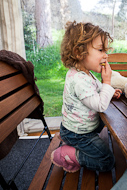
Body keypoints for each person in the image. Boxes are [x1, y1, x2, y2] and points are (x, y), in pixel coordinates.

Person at [51, 21, 122, 173]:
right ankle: (67, 154)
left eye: (106, 50)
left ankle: (67, 139)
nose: (106, 55)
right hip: (78, 134)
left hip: (84, 126)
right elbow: (100, 105)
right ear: (79, 52)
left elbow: (97, 88)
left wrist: (108, 90)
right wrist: (108, 82)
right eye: (101, 50)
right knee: (107, 161)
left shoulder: (85, 73)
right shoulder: (79, 80)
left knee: (106, 121)